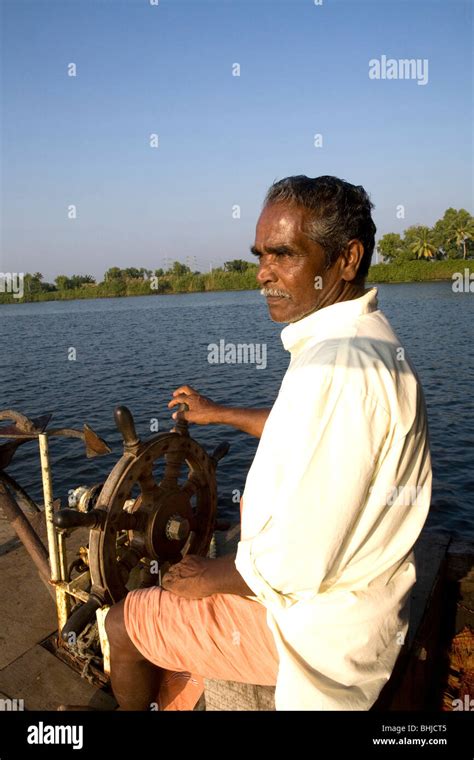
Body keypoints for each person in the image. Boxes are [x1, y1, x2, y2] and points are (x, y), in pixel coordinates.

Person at [105, 175, 432, 710]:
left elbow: (301, 556)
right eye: (261, 255)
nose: (263, 274)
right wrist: (218, 413)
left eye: (284, 255)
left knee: (125, 622)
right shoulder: (361, 342)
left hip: (315, 637)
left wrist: (218, 573)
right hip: (357, 606)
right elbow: (303, 432)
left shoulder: (340, 368)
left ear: (346, 259)